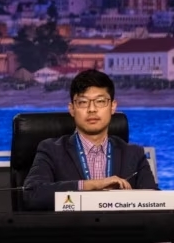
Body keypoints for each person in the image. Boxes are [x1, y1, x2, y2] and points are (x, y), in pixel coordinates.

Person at [22, 69, 157, 211]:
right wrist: (91, 185)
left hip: (121, 230)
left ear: (113, 107)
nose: (92, 109)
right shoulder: (51, 150)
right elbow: (32, 195)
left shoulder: (134, 154)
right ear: (72, 109)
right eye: (83, 102)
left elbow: (156, 202)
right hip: (72, 230)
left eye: (100, 101)